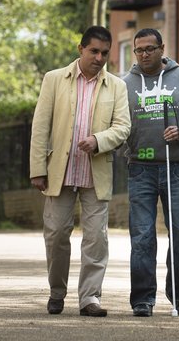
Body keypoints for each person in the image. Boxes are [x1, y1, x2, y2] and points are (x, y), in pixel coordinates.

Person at [29, 25, 131, 318]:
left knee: (96, 238)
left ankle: (90, 298)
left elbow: (123, 127)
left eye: (104, 53)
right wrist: (38, 168)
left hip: (95, 173)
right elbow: (40, 128)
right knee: (57, 234)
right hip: (59, 171)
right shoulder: (54, 79)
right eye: (94, 51)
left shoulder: (117, 86)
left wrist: (99, 140)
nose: (99, 58)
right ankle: (56, 293)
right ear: (80, 49)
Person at [123, 27, 179, 318]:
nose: (144, 54)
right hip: (140, 169)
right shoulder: (125, 84)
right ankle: (143, 299)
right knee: (142, 237)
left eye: (150, 48)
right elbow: (117, 125)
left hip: (177, 169)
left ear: (162, 48)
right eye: (139, 50)